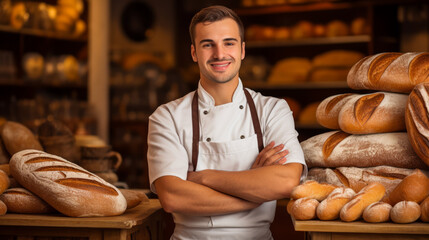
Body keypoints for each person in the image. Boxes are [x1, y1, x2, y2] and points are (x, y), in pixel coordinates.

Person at [147, 5, 307, 240]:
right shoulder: (166, 117)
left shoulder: (273, 109)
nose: (219, 54)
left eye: (229, 43)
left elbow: (285, 181)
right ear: (194, 53)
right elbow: (172, 197)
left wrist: (202, 177)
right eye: (208, 44)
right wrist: (253, 197)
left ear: (242, 50)